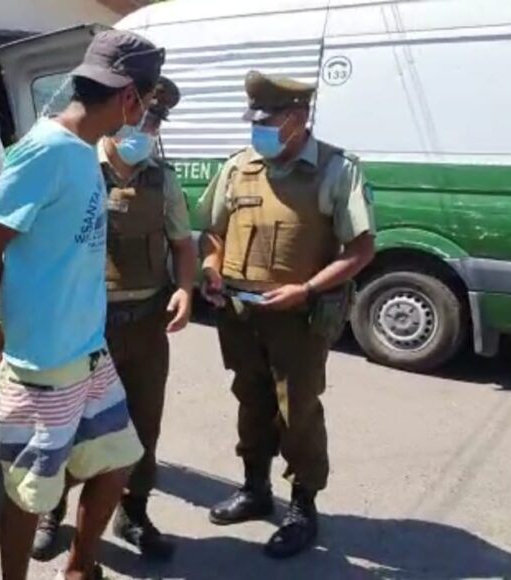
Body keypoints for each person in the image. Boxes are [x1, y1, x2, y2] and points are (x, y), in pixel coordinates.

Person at [0, 30, 165, 580]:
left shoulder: (83, 151)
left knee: (119, 458)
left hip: (88, 352)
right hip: (44, 363)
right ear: (129, 97)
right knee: (29, 490)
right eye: (147, 102)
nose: (145, 115)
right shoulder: (46, 150)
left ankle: (80, 567)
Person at [196, 71, 376, 559]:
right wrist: (211, 269)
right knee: (251, 403)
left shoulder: (336, 170)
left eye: (268, 121)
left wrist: (307, 288)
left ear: (298, 118)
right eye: (255, 121)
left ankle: (302, 506)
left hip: (299, 319)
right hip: (239, 315)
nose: (258, 130)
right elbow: (213, 233)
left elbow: (361, 250)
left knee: (297, 412)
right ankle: (255, 489)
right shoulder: (238, 167)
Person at [30, 77, 195, 563]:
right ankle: (51, 512)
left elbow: (182, 244)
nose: (145, 130)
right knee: (69, 426)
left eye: (155, 122)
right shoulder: (77, 167)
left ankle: (134, 512)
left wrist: (185, 289)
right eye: (141, 118)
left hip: (145, 326)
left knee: (142, 427)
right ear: (119, 116)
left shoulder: (162, 181)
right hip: (84, 326)